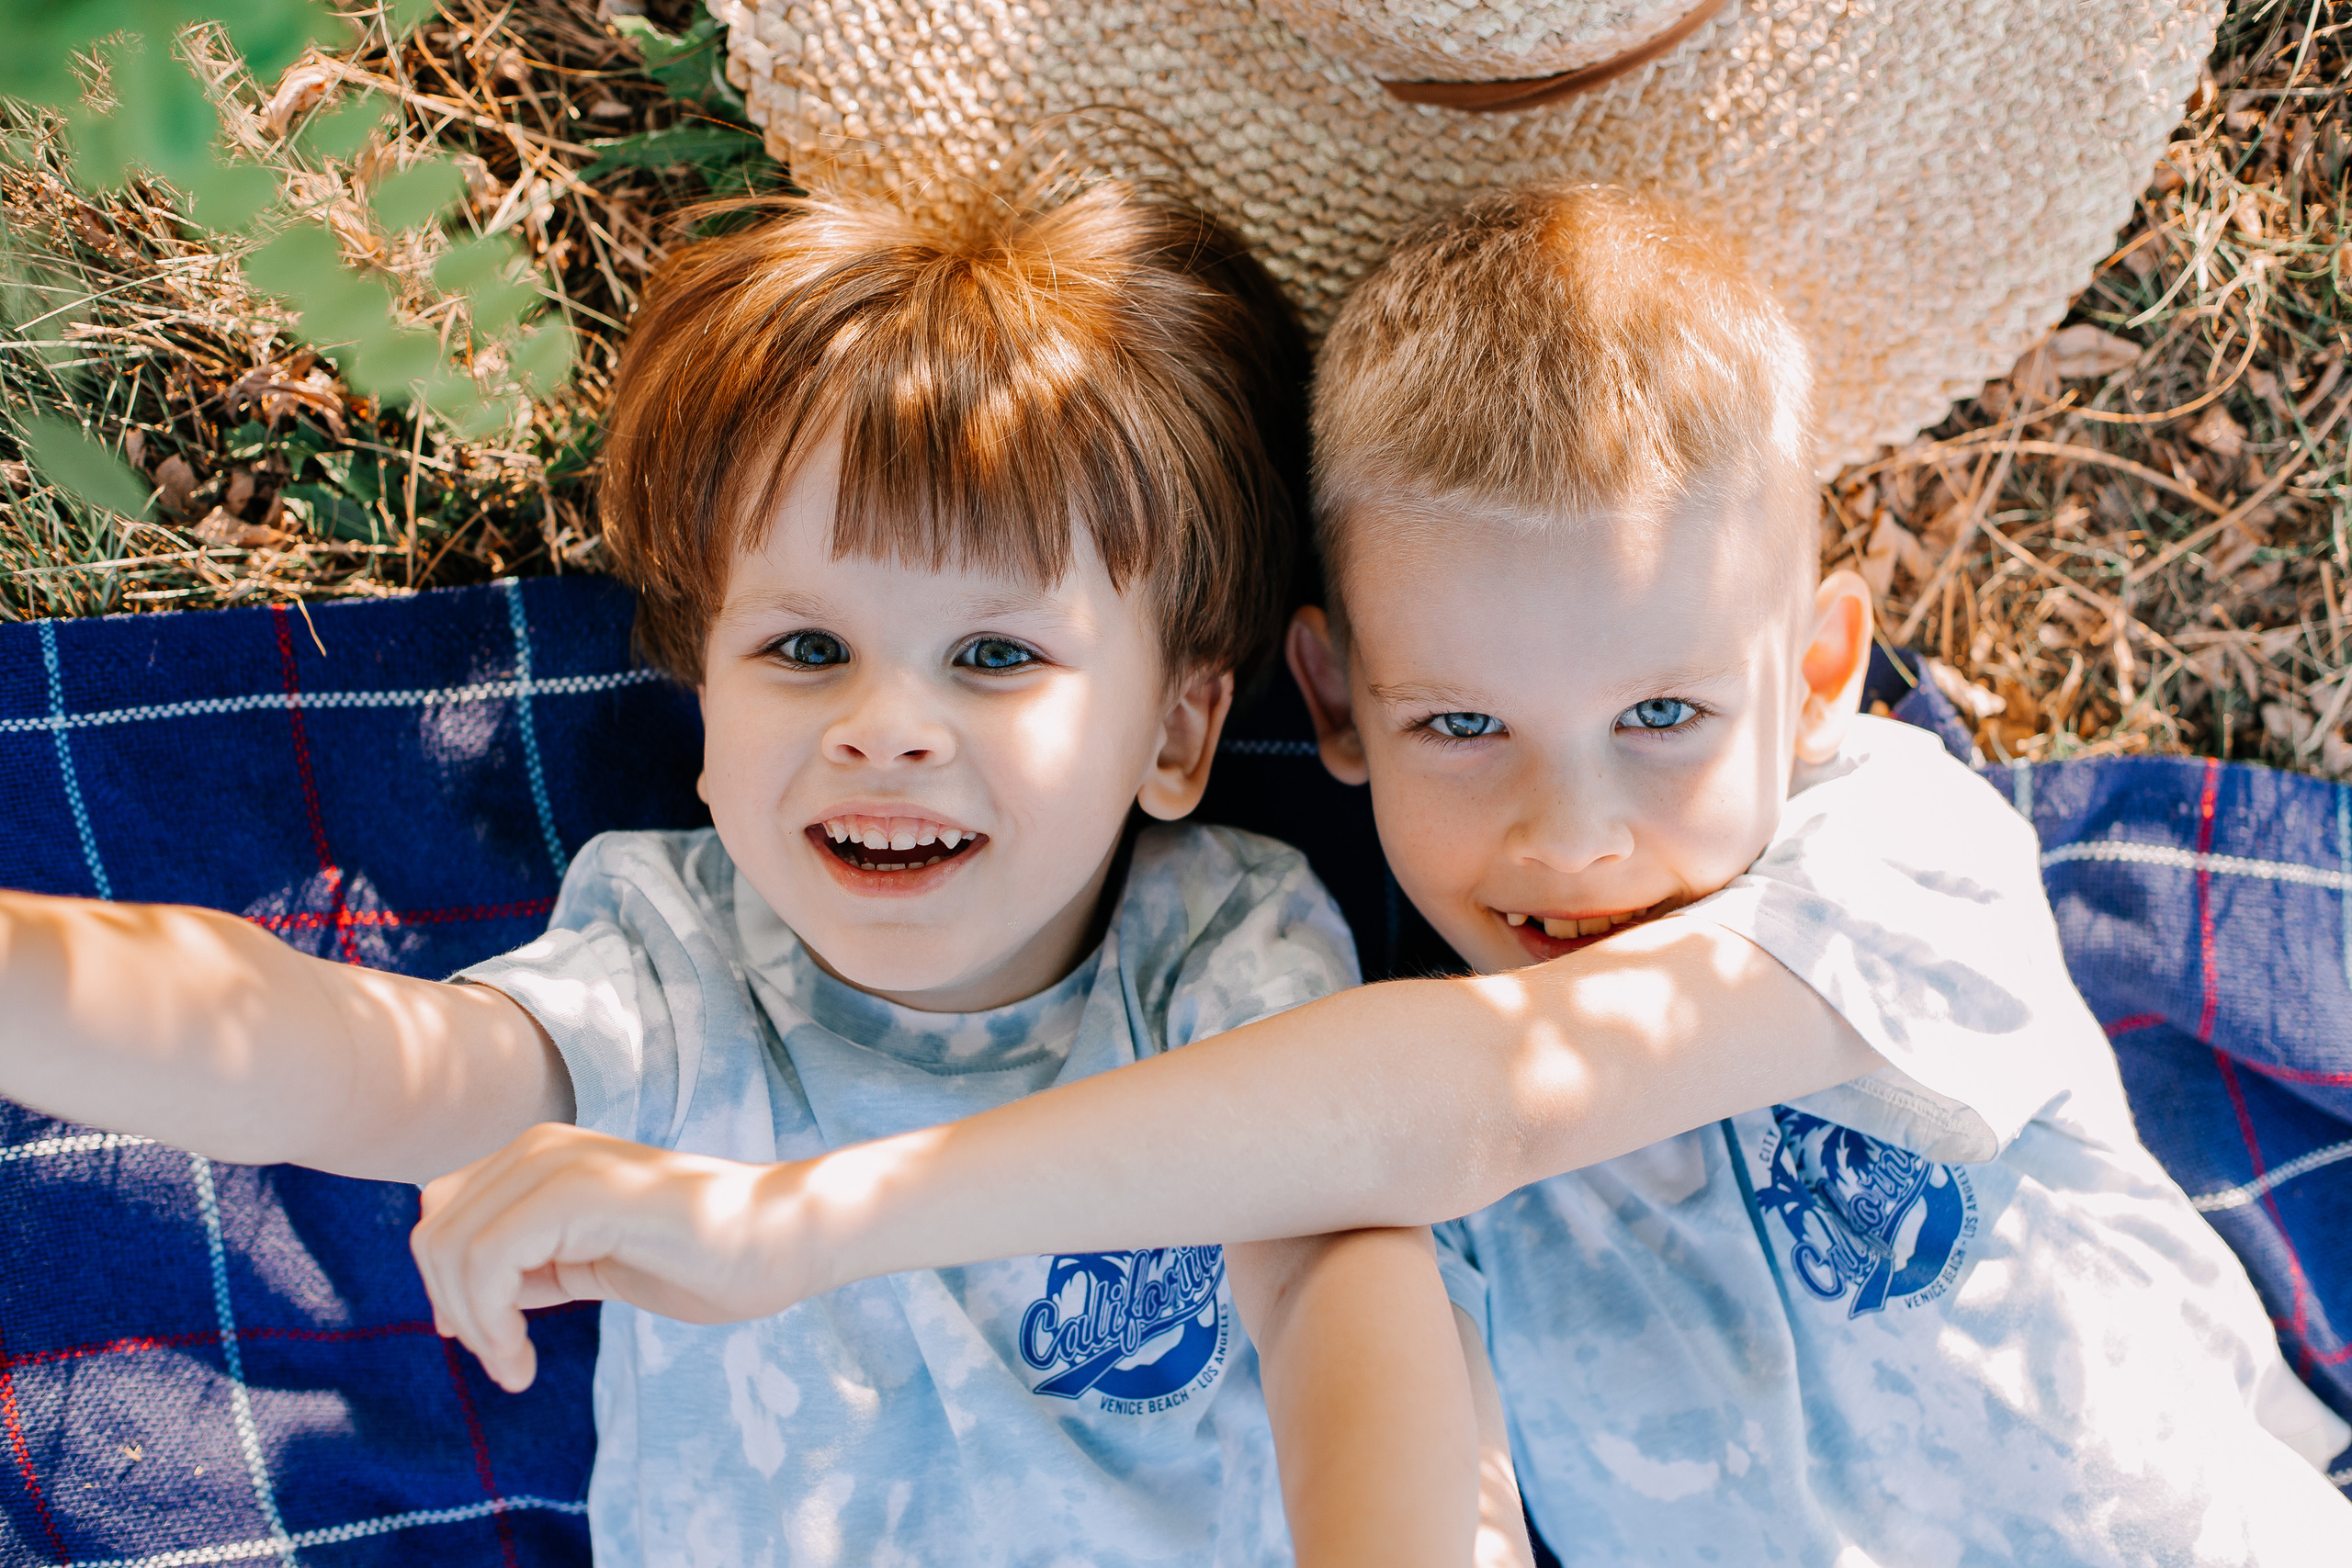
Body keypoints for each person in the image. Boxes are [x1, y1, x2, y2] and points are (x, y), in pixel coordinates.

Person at [414, 185, 2352, 1563]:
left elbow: (1467, 1103)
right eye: (1459, 728)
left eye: (1665, 713)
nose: (1572, 833)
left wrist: (800, 1223)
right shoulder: (1314, 1035)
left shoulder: (1891, 852)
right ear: (1322, 701)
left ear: (1824, 669)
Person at [0, 175, 1522, 1567]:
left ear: (1181, 730)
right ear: (706, 719)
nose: (884, 730)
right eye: (805, 649)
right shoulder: (676, 963)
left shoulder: (1221, 949)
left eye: (994, 656)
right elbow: (343, 1055)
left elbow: (1339, 1280)